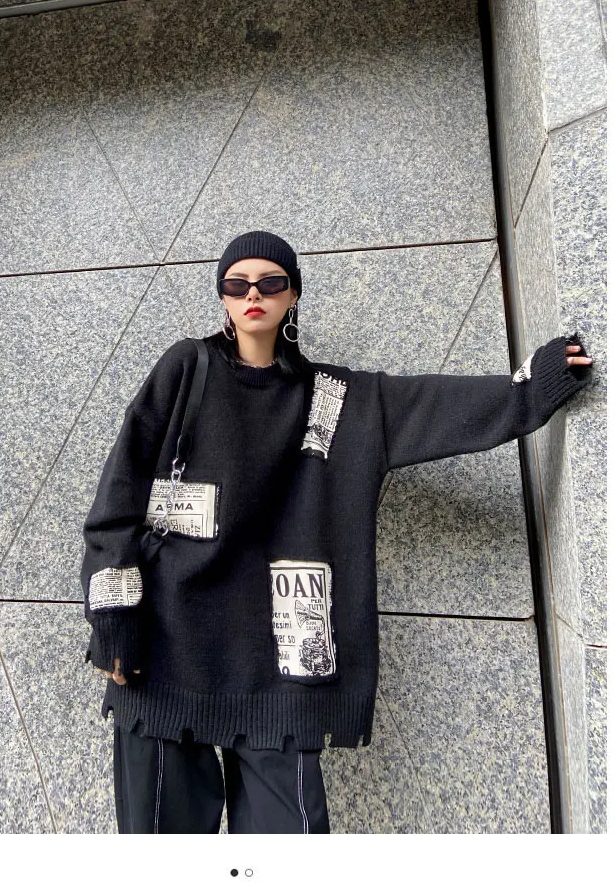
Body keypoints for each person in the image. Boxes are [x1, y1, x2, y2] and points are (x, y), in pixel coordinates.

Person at [80, 230, 593, 834]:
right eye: (237, 284)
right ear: (222, 297)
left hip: (279, 668)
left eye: (270, 282)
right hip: (165, 649)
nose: (253, 295)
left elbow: (431, 405)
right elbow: (118, 496)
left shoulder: (336, 399)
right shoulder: (186, 368)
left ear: (293, 295)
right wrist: (113, 620)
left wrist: (534, 387)